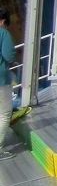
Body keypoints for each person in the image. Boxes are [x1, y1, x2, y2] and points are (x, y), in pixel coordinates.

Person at [0, 9, 14, 161]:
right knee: (4, 113)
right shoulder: (4, 33)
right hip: (1, 79)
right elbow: (8, 55)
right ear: (3, 21)